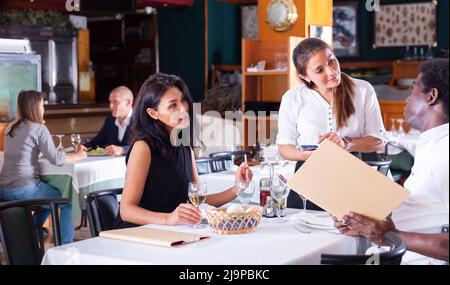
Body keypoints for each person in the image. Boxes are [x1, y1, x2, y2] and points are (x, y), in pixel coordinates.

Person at [335, 59, 449, 264]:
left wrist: (388, 234)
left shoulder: (445, 154)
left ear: (431, 96)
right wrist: (365, 223)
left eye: (413, 90)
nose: (406, 100)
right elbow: (427, 210)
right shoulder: (432, 143)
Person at [113, 73, 252, 228]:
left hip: (167, 233)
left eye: (183, 100)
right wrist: (169, 219)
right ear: (153, 113)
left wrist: (238, 188)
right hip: (136, 235)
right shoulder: (143, 148)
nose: (183, 108)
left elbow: (199, 198)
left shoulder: (184, 146)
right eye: (173, 105)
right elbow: (126, 210)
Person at [276, 38, 385, 210]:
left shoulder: (363, 90)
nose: (332, 71)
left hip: (354, 179)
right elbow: (284, 148)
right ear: (304, 77)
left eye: (332, 60)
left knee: (352, 235)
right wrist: (306, 155)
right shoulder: (292, 98)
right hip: (309, 179)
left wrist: (346, 144)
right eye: (319, 70)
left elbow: (379, 142)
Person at [0, 90, 87, 244]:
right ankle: (66, 245)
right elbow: (57, 159)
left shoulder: (10, 129)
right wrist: (79, 156)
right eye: (42, 105)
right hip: (25, 189)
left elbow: (22, 152)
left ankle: (28, 234)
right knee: (67, 201)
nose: (43, 109)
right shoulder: (39, 128)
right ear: (35, 107)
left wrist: (40, 154)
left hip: (4, 190)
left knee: (46, 203)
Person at [81, 86, 133, 156]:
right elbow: (98, 140)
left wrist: (124, 149)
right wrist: (85, 146)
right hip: (112, 164)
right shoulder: (111, 119)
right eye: (110, 102)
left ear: (128, 102)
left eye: (115, 102)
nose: (111, 106)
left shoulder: (142, 120)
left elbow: (149, 145)